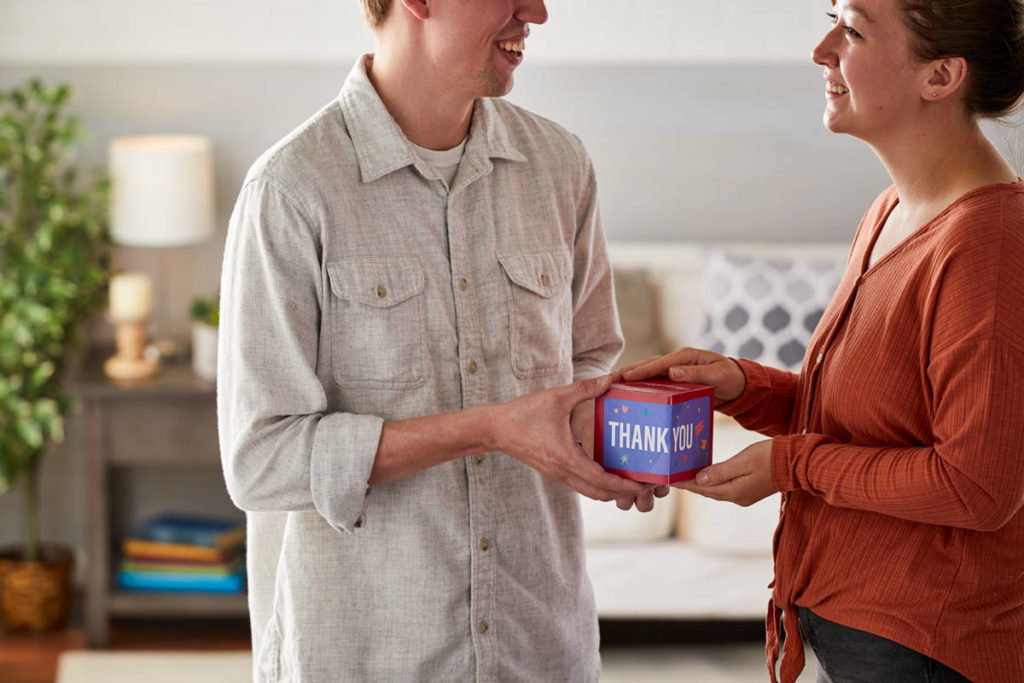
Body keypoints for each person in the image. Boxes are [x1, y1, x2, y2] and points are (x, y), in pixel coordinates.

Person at [216, 0, 654, 680]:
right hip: (367, 655)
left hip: (540, 647)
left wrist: (644, 433)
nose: (536, 11)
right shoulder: (291, 191)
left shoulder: (559, 166)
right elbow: (260, 458)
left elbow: (587, 367)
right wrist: (490, 426)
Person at [622, 1, 1024, 681]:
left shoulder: (988, 246)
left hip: (927, 646)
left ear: (942, 76)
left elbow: (976, 484)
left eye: (855, 30)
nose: (821, 48)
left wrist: (790, 464)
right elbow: (878, 419)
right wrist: (745, 386)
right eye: (830, 16)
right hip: (854, 624)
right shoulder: (891, 208)